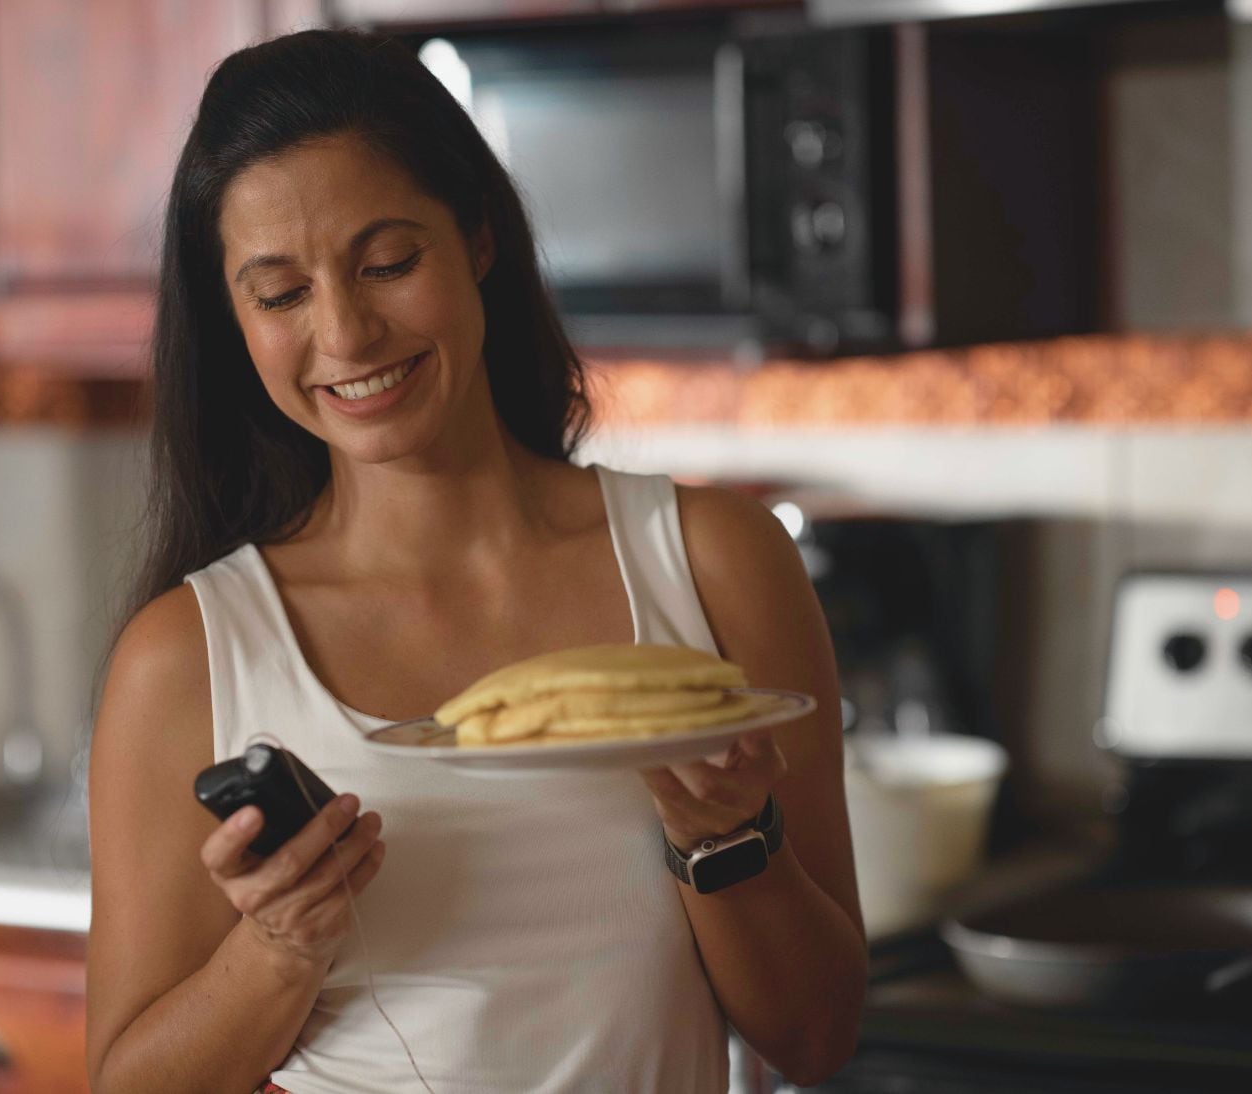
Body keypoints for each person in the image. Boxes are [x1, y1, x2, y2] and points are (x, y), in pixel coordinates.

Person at [84, 28, 866, 1094]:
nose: (348, 333)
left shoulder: (713, 565)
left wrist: (725, 841)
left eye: (388, 263)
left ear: (479, 238)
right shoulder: (184, 656)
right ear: (233, 321)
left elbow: (817, 1038)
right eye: (280, 294)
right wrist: (275, 951)